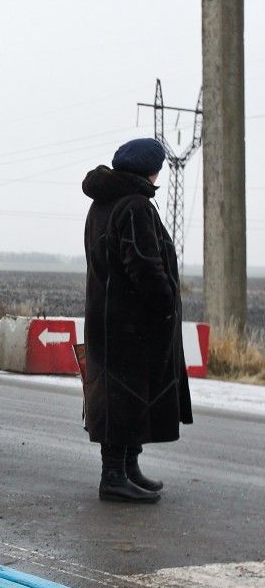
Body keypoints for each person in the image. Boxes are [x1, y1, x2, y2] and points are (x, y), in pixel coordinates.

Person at [82, 138, 192, 504]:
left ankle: (128, 469)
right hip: (130, 324)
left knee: (124, 397)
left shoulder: (104, 203)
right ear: (151, 169)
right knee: (124, 398)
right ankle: (113, 476)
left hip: (108, 319)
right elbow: (144, 264)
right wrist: (163, 305)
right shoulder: (134, 206)